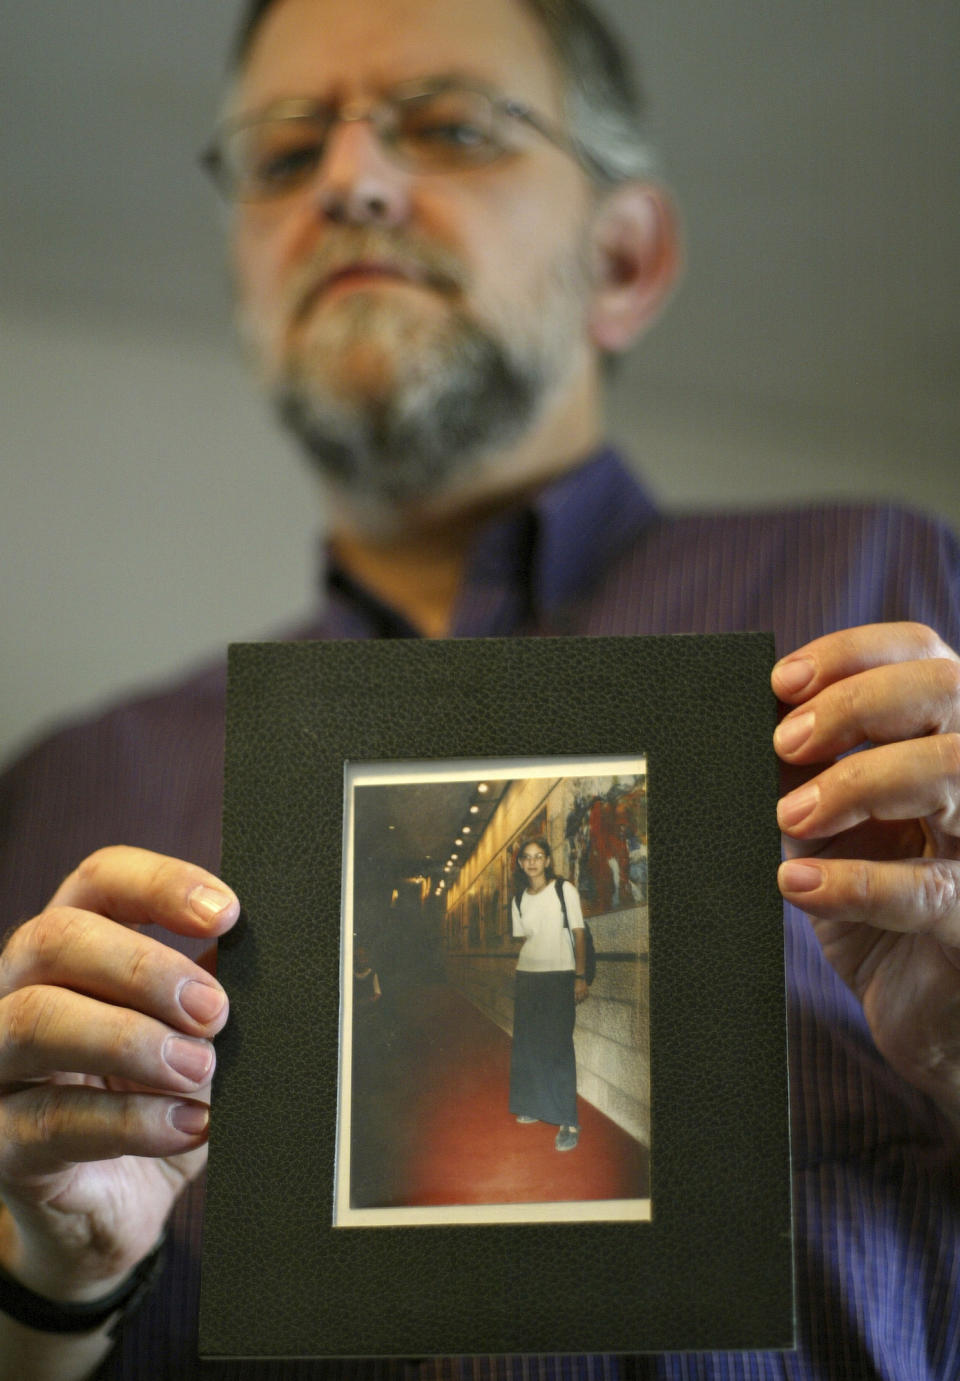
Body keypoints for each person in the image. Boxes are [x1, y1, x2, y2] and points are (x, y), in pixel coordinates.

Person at [0, 0, 958, 1376]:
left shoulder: (904, 601)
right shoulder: (65, 798)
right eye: (281, 157)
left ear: (622, 258)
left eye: (451, 127)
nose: (350, 181)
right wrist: (49, 1284)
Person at [509, 838, 588, 1151]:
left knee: (558, 1047)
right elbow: (523, 939)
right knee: (528, 1045)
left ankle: (569, 1122)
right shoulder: (518, 898)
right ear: (520, 863)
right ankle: (534, 1106)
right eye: (526, 858)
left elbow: (579, 933)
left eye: (538, 857)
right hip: (528, 977)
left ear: (547, 861)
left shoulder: (563, 889)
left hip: (559, 977)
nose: (532, 862)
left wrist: (579, 976)